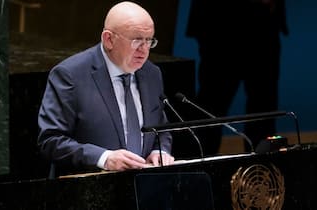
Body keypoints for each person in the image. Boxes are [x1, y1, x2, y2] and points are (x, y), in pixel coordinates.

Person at [37, 1, 174, 176]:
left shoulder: (152, 73)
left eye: (149, 41)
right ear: (108, 39)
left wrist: (159, 150)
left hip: (143, 188)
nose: (144, 49)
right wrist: (104, 158)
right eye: (136, 40)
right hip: (88, 189)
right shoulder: (70, 75)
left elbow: (161, 127)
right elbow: (50, 141)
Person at [186, 0, 289, 155]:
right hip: (220, 26)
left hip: (264, 26)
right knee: (212, 105)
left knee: (264, 107)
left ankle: (261, 171)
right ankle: (202, 166)